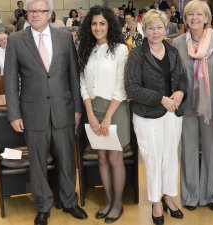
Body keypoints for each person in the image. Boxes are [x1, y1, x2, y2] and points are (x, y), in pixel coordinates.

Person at [4, 1, 88, 225]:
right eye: (31, 11)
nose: (34, 15)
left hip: (64, 110)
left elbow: (73, 75)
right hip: (32, 113)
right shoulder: (15, 40)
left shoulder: (63, 37)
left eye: (40, 11)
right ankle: (43, 206)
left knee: (67, 160)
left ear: (50, 14)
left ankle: (70, 201)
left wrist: (78, 108)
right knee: (38, 162)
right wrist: (14, 114)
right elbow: (10, 80)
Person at [125, 9, 186, 225]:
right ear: (145, 29)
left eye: (159, 27)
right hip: (147, 116)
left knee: (170, 157)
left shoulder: (172, 51)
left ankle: (168, 196)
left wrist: (180, 92)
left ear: (166, 28)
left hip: (173, 113)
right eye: (150, 27)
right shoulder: (136, 55)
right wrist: (161, 99)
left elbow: (181, 79)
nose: (155, 31)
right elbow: (131, 88)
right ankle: (155, 202)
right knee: (152, 159)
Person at [173, 0, 213, 212]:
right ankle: (191, 195)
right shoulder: (177, 43)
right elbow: (175, 75)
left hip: (211, 107)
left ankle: (211, 194)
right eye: (189, 15)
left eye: (198, 14)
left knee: (212, 150)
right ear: (185, 19)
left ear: (206, 17)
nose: (194, 18)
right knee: (189, 151)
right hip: (187, 107)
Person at [78, 5, 129, 223]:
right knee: (101, 157)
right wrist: (90, 113)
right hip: (92, 109)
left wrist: (107, 117)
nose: (98, 27)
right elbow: (82, 84)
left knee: (115, 158)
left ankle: (118, 204)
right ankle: (108, 201)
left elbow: (121, 86)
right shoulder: (85, 49)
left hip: (115, 109)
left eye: (102, 23)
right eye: (94, 23)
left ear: (110, 25)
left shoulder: (120, 49)